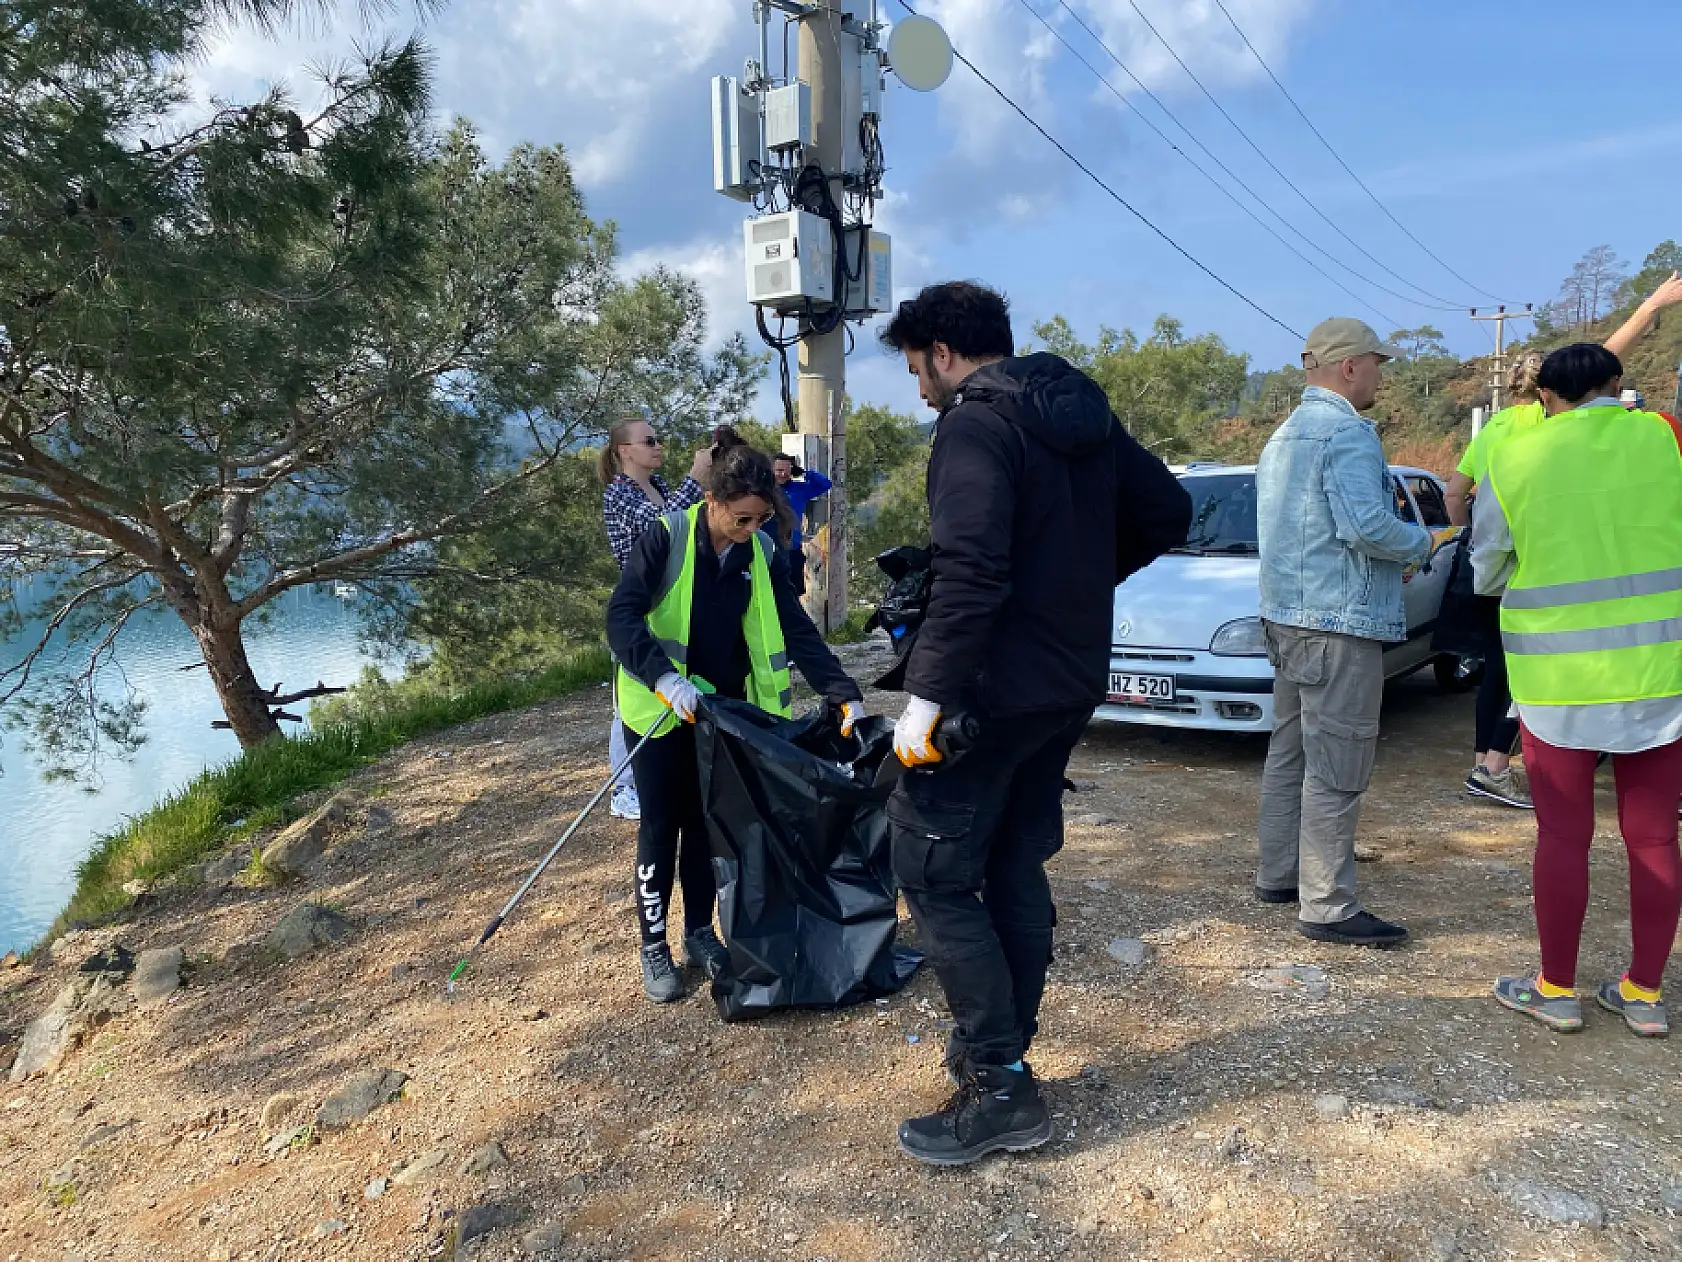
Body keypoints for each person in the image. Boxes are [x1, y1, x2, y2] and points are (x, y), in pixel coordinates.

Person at [877, 281, 1191, 1165]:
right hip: (1068, 680)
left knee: (933, 871)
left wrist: (925, 698)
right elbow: (1168, 510)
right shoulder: (1079, 418)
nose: (918, 388)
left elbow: (972, 572)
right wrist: (1073, 580)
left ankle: (1001, 1085)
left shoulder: (977, 425)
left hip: (990, 694)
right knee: (1012, 858)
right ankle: (1004, 1052)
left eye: (914, 367)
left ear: (943, 350)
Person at [606, 430, 865, 1004]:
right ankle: (654, 946)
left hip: (719, 712)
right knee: (660, 827)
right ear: (714, 501)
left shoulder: (761, 550)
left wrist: (842, 691)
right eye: (741, 519)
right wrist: (665, 678)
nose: (750, 531)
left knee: (706, 823)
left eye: (759, 520)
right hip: (657, 708)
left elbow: (796, 630)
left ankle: (699, 932)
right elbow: (622, 617)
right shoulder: (667, 537)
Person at [1477, 344, 1682, 1038]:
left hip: (1556, 677)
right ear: (1617, 385)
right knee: (1654, 839)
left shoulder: (1514, 454)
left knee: (1563, 834)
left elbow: (1487, 566)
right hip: (1659, 673)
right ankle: (1644, 996)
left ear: (1544, 395)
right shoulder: (1663, 436)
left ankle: (1555, 989)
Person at [1254, 318, 1432, 948]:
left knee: (1290, 752)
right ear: (1350, 366)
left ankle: (1279, 875)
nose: (1383, 376)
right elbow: (1368, 528)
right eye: (1377, 364)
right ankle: (1327, 903)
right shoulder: (1347, 433)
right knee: (1338, 761)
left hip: (1288, 617)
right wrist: (1423, 539)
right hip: (1339, 622)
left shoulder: (1285, 434)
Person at [1441, 353, 1545, 809]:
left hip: (1485, 566)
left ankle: (1483, 763)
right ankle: (1497, 765)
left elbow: (1452, 493)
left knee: (1494, 670)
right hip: (1529, 565)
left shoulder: (1493, 428)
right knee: (1525, 669)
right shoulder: (1552, 419)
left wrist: (1473, 534)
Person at [599, 416, 714, 821]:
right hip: (640, 606)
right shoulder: (619, 495)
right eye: (648, 441)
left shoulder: (659, 487)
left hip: (671, 604)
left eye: (658, 439)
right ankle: (624, 787)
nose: (658, 446)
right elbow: (662, 528)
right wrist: (695, 480)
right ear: (625, 451)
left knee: (669, 687)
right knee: (628, 705)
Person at [769, 453, 832, 597]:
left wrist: (804, 473)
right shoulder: (764, 490)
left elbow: (825, 484)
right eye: (779, 470)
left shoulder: (799, 489)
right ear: (772, 470)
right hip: (769, 550)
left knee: (793, 594)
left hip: (792, 550)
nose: (782, 474)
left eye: (786, 470)